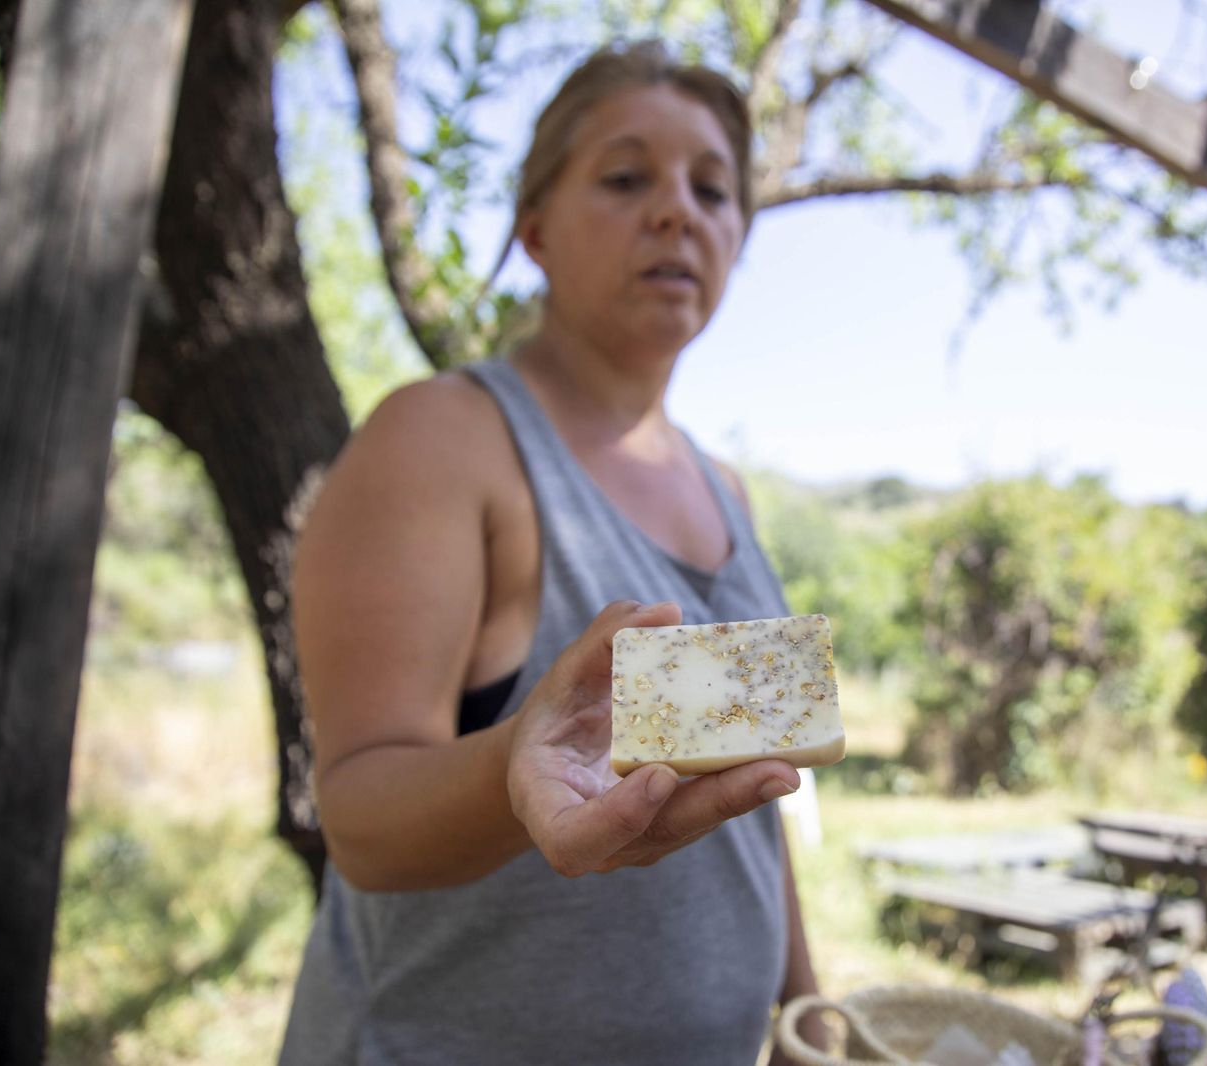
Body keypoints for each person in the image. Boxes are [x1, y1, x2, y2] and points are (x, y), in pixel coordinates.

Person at [278, 41, 827, 1065]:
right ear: (533, 228)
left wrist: (807, 1009)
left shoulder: (727, 490)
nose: (677, 211)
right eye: (626, 178)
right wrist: (510, 771)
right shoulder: (441, 437)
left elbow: (754, 797)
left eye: (712, 189)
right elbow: (357, 815)